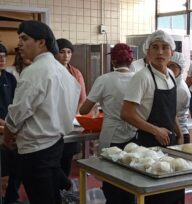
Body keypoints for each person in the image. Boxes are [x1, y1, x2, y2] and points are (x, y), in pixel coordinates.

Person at [3, 20, 80, 204]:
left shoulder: (34, 71)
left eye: (24, 38)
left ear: (41, 42)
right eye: (19, 38)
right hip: (55, 143)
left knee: (41, 197)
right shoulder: (63, 72)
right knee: (51, 195)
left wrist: (7, 135)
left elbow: (18, 113)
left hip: (35, 151)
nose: (19, 44)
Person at [121, 30, 184, 204]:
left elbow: (171, 111)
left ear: (172, 53)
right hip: (148, 145)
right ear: (147, 52)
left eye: (165, 48)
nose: (160, 52)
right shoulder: (142, 77)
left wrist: (179, 134)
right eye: (155, 47)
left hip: (169, 141)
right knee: (156, 196)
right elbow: (126, 113)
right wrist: (155, 130)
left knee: (174, 191)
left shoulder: (171, 75)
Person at [79, 43, 137, 204]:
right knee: (131, 176)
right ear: (131, 61)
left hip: (112, 135)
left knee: (111, 179)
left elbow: (84, 110)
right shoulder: (137, 78)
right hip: (134, 133)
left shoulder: (104, 79)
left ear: (113, 62)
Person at [55, 38, 87, 178]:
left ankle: (63, 190)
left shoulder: (76, 73)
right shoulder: (51, 71)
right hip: (53, 122)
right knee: (53, 158)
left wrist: (74, 115)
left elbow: (82, 98)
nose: (66, 55)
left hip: (70, 123)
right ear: (55, 53)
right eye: (62, 52)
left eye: (69, 52)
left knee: (67, 156)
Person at [0, 43, 19, 204]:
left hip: (9, 129)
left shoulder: (10, 78)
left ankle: (11, 198)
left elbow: (15, 104)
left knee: (15, 166)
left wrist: (10, 124)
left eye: (4, 56)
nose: (2, 59)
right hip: (2, 128)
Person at [168, 52, 191, 143]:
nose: (169, 69)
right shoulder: (170, 83)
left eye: (173, 66)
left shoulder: (180, 89)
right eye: (167, 65)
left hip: (179, 135)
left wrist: (180, 136)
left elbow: (170, 115)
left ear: (180, 69)